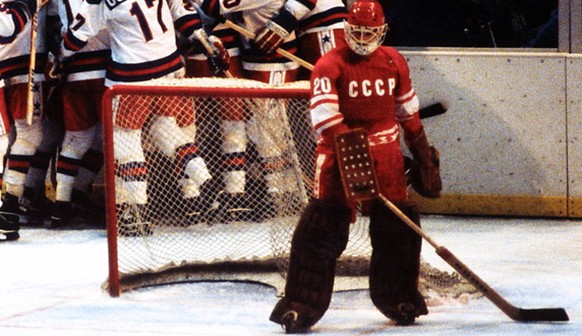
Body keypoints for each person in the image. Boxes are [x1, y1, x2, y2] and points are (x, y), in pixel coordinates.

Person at [269, 0, 441, 332]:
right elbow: (325, 120)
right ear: (348, 28)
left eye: (370, 32)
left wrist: (422, 152)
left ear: (382, 30)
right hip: (338, 155)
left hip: (386, 156)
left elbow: (407, 113)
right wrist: (353, 157)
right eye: (357, 31)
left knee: (398, 229)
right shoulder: (328, 64)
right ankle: (300, 304)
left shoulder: (393, 61)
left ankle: (400, 297)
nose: (363, 38)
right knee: (322, 231)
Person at [60, 0, 226, 235]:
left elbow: (77, 38)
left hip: (131, 75)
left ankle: (137, 211)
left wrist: (59, 54)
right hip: (169, 69)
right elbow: (184, 14)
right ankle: (204, 179)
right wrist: (205, 41)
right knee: (165, 131)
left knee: (125, 142)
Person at [0, 0, 47, 235]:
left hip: (8, 69)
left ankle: (10, 202)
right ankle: (10, 201)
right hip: (22, 71)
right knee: (28, 136)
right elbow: (6, 28)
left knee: (11, 139)